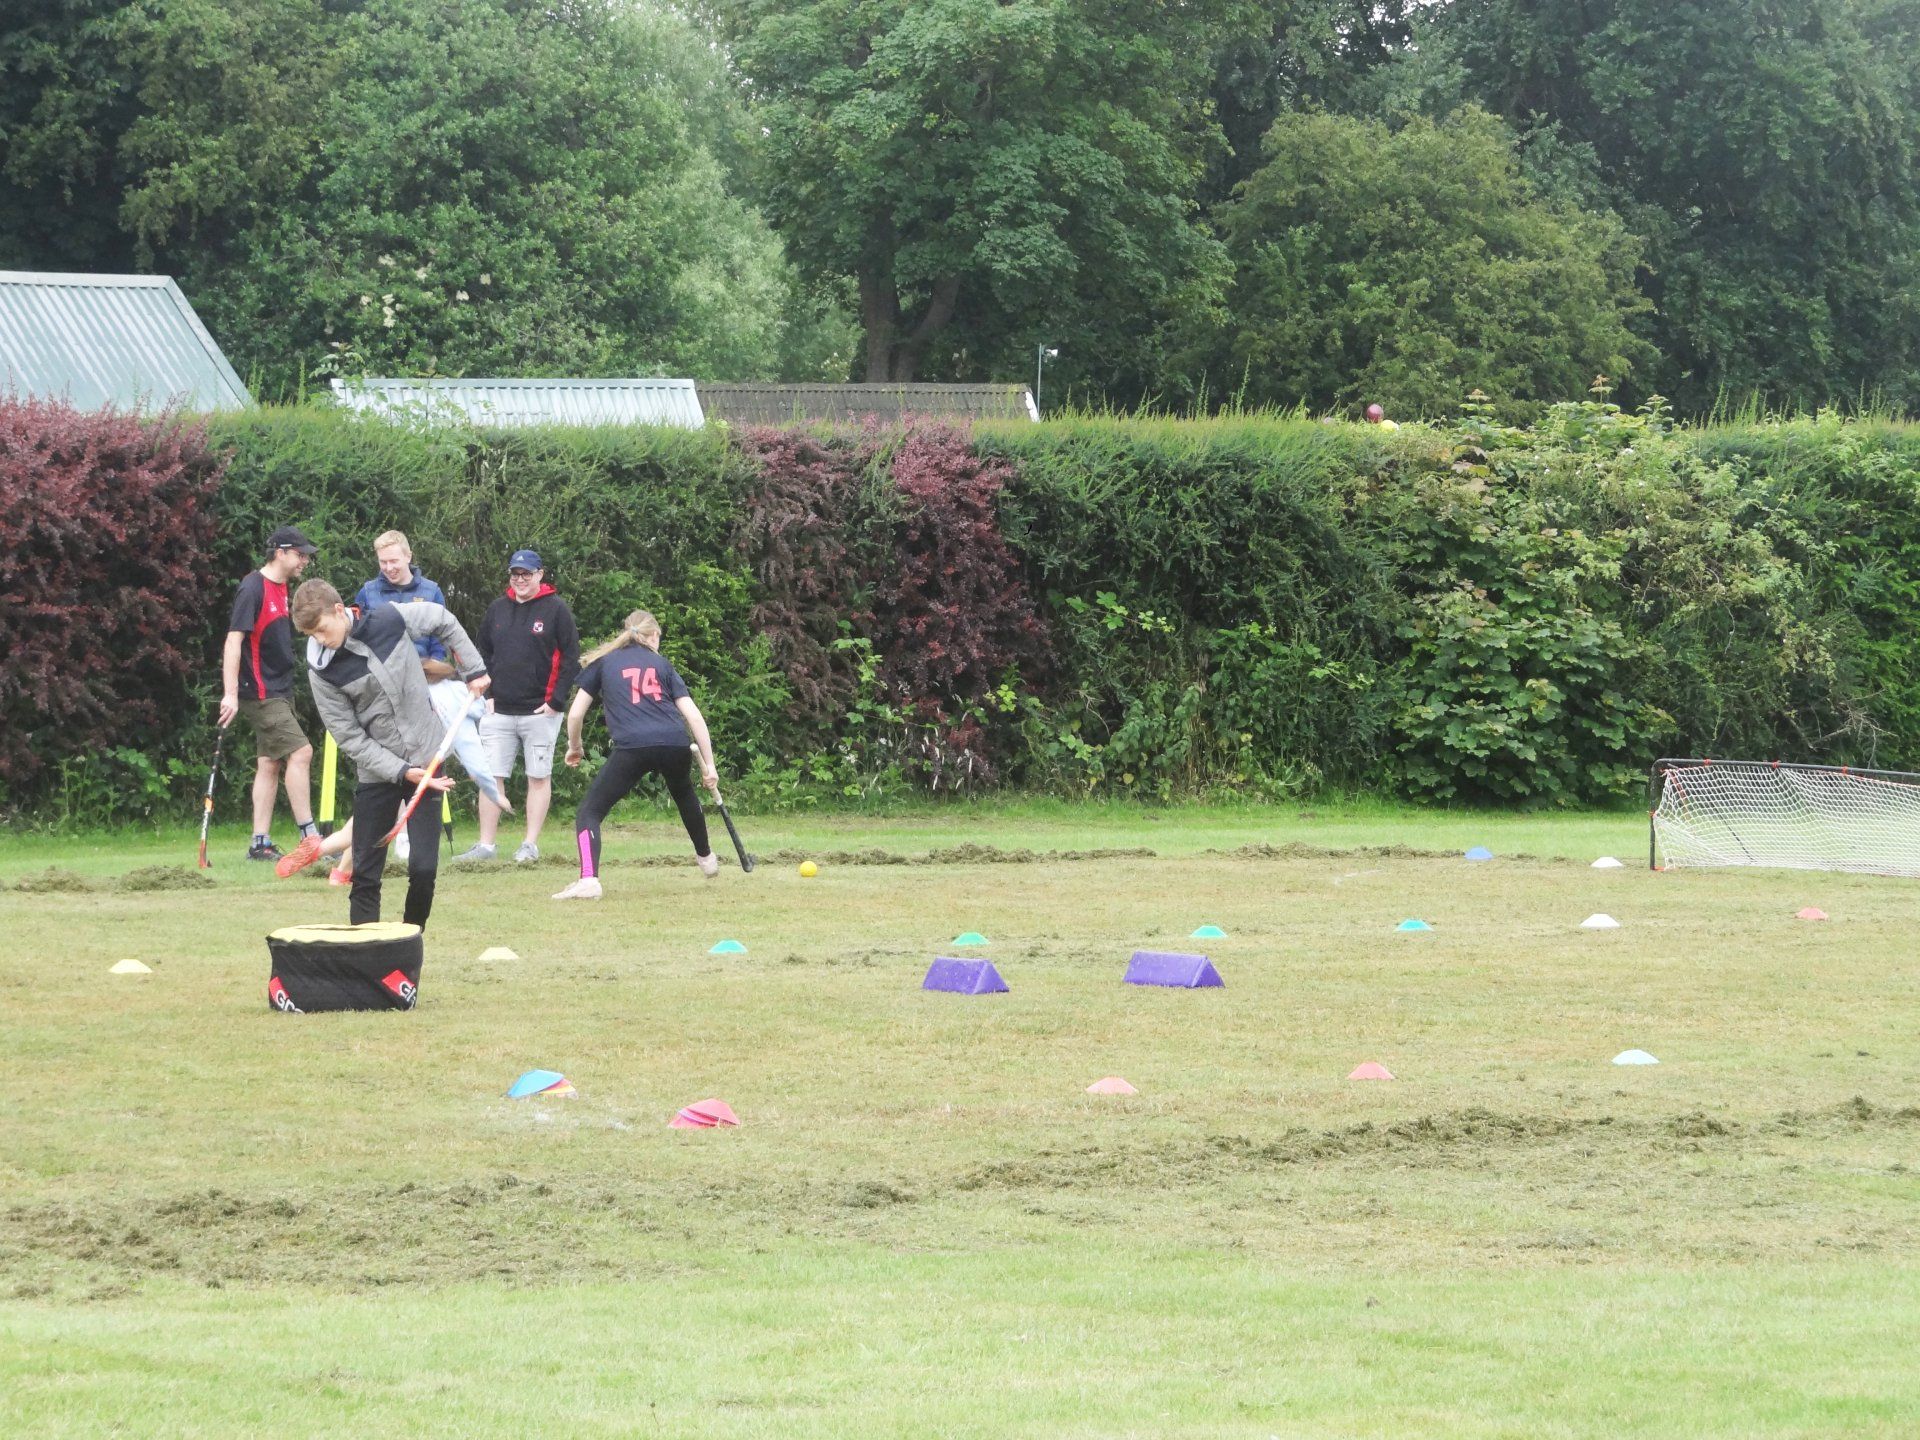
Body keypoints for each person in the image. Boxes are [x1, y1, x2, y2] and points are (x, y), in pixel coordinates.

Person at [277, 531, 510, 882]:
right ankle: (329, 855)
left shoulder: (430, 589)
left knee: (388, 803)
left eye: (394, 561)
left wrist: (460, 670)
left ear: (407, 557)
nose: (388, 568)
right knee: (387, 802)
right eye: (382, 562)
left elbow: (440, 628)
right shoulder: (369, 593)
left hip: (426, 681)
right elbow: (356, 636)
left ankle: (334, 862)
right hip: (381, 696)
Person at [291, 578, 490, 928]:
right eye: (313, 636)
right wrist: (399, 771)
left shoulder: (389, 619)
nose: (321, 640)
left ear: (340, 611)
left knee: (424, 870)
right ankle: (364, 955)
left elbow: (443, 620)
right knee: (365, 873)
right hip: (378, 772)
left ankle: (411, 939)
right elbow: (349, 736)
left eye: (322, 630)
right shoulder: (322, 672)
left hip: (428, 759)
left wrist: (474, 669)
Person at [552, 610, 722, 901]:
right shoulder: (662, 664)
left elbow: (576, 713)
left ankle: (589, 878)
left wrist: (575, 746)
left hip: (632, 746)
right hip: (674, 742)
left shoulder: (603, 662)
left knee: (589, 812)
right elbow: (693, 717)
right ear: (653, 635)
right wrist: (710, 765)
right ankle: (706, 859)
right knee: (684, 794)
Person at [461, 549, 579, 864]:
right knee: (490, 776)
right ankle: (486, 846)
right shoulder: (497, 609)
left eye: (527, 573)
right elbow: (481, 652)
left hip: (540, 711)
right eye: (515, 573)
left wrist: (556, 701)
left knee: (538, 776)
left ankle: (529, 844)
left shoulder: (556, 609)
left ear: (540, 574)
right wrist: (486, 694)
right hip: (498, 710)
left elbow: (571, 658)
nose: (520, 579)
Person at [219, 526, 320, 861]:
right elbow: (234, 640)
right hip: (259, 692)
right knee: (301, 752)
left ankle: (258, 843)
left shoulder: (283, 587)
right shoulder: (253, 588)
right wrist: (230, 694)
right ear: (281, 553)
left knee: (269, 762)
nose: (304, 560)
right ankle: (310, 838)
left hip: (280, 687)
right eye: (300, 554)